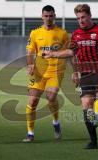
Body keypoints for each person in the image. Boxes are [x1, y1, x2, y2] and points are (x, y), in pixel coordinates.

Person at [43, 4, 98, 149]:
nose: (80, 20)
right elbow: (72, 53)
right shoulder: (76, 34)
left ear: (89, 16)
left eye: (83, 17)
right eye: (78, 18)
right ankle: (93, 142)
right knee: (86, 106)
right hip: (86, 74)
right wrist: (54, 55)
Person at [23, 5, 69, 142]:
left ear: (54, 16)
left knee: (51, 97)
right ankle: (30, 134)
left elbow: (70, 52)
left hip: (55, 71)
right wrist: (30, 64)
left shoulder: (62, 33)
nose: (48, 18)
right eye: (46, 16)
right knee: (32, 101)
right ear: (42, 16)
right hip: (39, 72)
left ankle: (55, 122)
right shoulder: (35, 33)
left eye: (51, 16)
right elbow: (30, 51)